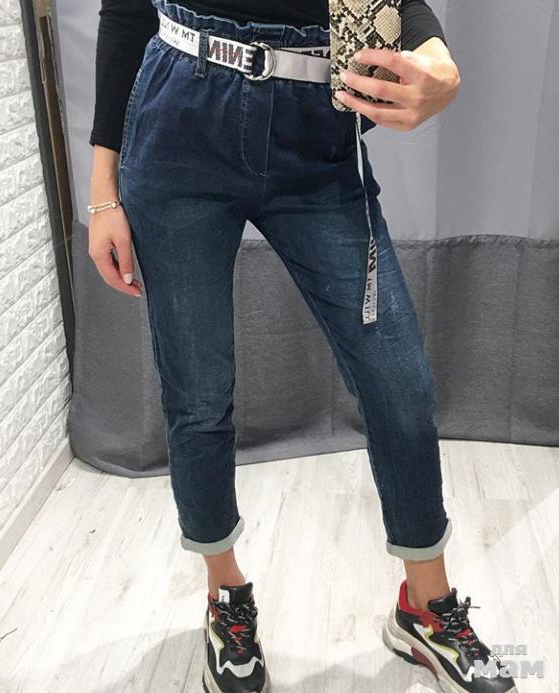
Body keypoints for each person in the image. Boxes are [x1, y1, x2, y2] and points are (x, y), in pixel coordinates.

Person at [87, 2, 517, 692]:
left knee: (398, 383)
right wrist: (102, 193)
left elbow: (392, 1)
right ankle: (225, 594)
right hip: (180, 125)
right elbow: (126, 10)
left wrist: (437, 59)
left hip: (314, 133)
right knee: (197, 391)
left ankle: (425, 608)